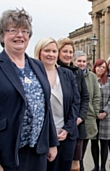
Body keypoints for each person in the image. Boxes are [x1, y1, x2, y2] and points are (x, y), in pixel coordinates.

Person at [0, 8, 59, 171]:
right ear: (2, 36)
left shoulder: (37, 65)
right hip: (7, 153)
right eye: (13, 30)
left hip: (38, 151)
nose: (20, 35)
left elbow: (46, 108)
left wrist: (52, 142)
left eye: (25, 31)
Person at [34, 37, 80, 171]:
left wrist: (67, 129)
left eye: (54, 51)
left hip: (65, 134)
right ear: (39, 52)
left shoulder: (67, 74)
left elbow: (75, 102)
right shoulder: (32, 75)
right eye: (47, 50)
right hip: (41, 137)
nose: (51, 54)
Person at [57, 38, 89, 171]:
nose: (68, 55)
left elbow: (84, 97)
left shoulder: (78, 72)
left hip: (76, 125)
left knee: (76, 165)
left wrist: (80, 117)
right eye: (65, 51)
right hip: (58, 125)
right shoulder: (54, 69)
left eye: (71, 52)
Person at [72, 51, 100, 171]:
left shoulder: (92, 76)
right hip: (73, 119)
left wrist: (95, 111)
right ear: (74, 62)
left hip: (88, 118)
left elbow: (96, 96)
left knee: (82, 151)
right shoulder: (70, 74)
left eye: (84, 61)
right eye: (79, 61)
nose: (82, 64)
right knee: (75, 154)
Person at [91, 59, 110, 171]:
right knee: (94, 142)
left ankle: (102, 167)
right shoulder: (90, 79)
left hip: (106, 116)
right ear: (95, 66)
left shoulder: (109, 80)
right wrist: (95, 112)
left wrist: (105, 111)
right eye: (99, 66)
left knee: (104, 143)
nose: (101, 69)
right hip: (92, 116)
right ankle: (96, 166)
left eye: (103, 67)